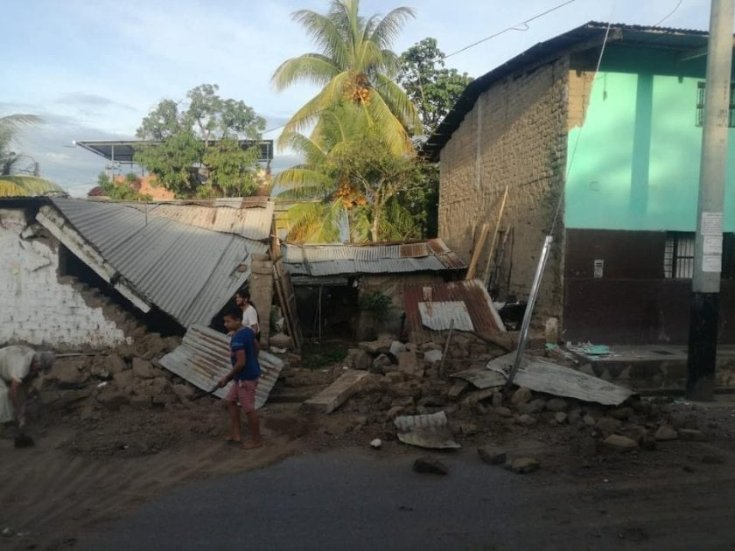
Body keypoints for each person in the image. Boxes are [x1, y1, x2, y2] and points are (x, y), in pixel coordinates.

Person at [217, 308, 262, 449]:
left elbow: (241, 362)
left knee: (248, 409)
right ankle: (236, 434)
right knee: (230, 401)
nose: (225, 324)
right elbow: (256, 346)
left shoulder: (237, 338)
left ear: (238, 321)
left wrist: (226, 378)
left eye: (228, 321)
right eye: (224, 322)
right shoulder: (247, 331)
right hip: (242, 377)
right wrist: (252, 359)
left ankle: (257, 441)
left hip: (245, 379)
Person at [0, 346, 55, 428]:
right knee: (4, 393)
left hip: (5, 366)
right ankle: (5, 425)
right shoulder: (22, 366)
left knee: (23, 383)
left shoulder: (33, 357)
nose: (39, 371)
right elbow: (12, 393)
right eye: (40, 368)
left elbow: (24, 386)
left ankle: (12, 415)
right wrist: (18, 411)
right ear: (37, 362)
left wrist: (23, 407)